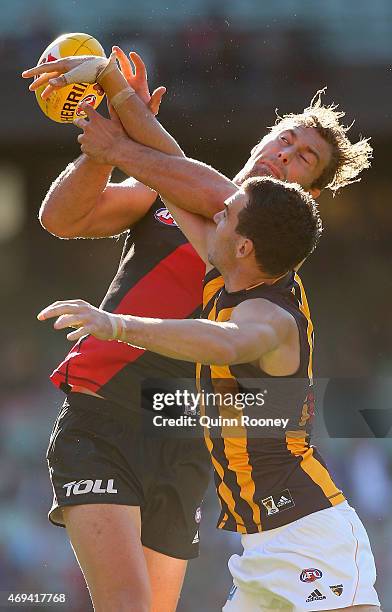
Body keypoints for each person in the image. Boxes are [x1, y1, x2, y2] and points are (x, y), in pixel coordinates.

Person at [24, 51, 375, 611]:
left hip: (181, 436)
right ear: (263, 138)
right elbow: (62, 219)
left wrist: (121, 112)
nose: (286, 153)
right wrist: (106, 143)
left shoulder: (260, 250)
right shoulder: (178, 199)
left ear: (306, 194)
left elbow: (186, 177)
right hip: (103, 415)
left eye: (304, 157)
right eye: (285, 138)